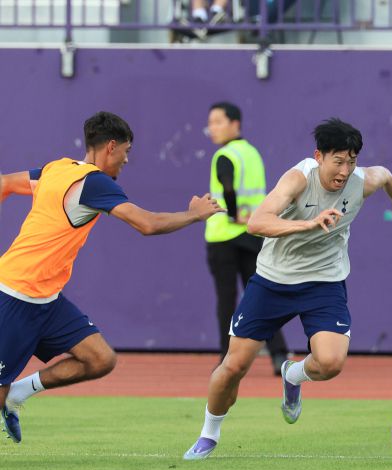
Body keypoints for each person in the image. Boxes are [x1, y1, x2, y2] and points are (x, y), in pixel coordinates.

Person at [183, 117, 392, 460]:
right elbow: (256, 222)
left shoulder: (362, 181)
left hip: (324, 281)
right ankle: (209, 434)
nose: (344, 170)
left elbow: (385, 175)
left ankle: (293, 375)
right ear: (319, 156)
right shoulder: (298, 179)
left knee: (331, 363)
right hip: (273, 281)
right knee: (233, 367)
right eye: (337, 161)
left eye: (351, 161)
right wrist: (308, 223)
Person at [0, 111, 224, 444]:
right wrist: (194, 215)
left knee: (100, 359)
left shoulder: (56, 169)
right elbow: (147, 224)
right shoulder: (94, 182)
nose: (126, 160)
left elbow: (5, 183)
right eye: (126, 151)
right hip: (16, 296)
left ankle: (18, 393)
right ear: (111, 147)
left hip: (46, 299)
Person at [205, 101, 289, 375]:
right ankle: (279, 354)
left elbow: (228, 187)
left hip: (223, 236)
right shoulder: (253, 154)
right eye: (211, 123)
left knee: (226, 300)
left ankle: (226, 359)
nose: (212, 128)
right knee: (262, 297)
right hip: (253, 235)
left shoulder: (224, 155)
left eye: (218, 122)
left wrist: (231, 214)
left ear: (235, 124)